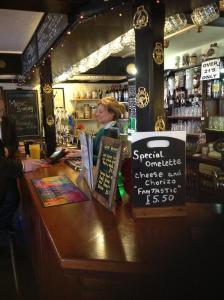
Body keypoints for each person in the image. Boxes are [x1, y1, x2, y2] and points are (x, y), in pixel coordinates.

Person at [0, 98, 42, 229]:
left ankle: (5, 226)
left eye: (1, 110)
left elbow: (14, 142)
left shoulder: (9, 122)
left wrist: (8, 150)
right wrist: (23, 165)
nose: (1, 114)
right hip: (6, 167)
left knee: (13, 198)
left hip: (8, 165)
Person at [65, 97, 126, 164]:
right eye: (97, 111)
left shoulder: (114, 132)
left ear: (112, 113)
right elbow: (93, 151)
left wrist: (82, 154)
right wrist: (78, 152)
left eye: (100, 112)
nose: (97, 114)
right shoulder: (102, 130)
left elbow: (106, 161)